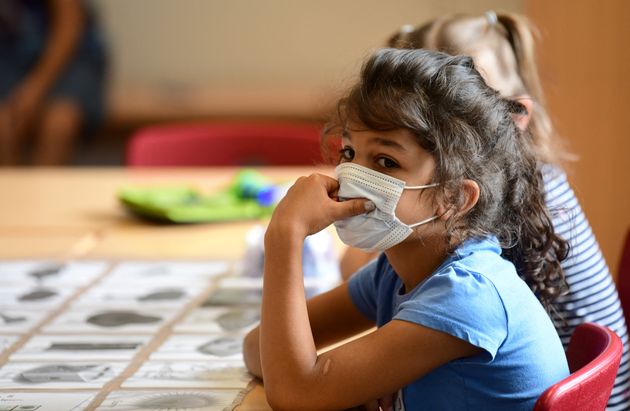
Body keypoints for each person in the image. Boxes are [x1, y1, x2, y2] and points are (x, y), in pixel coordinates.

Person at [243, 48, 570, 410]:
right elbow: (259, 350)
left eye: (386, 161)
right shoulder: (395, 270)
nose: (352, 178)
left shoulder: (468, 294)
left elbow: (294, 393)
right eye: (349, 153)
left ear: (455, 199)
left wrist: (285, 236)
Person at [339, 11, 630, 409]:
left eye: (470, 102)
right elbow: (364, 273)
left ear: (515, 117)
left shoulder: (509, 215)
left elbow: (459, 316)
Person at [0, 0, 107, 166]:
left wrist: (34, 89)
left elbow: (69, 25)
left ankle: (42, 191)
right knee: (3, 124)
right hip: (9, 55)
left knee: (59, 123)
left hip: (70, 57)